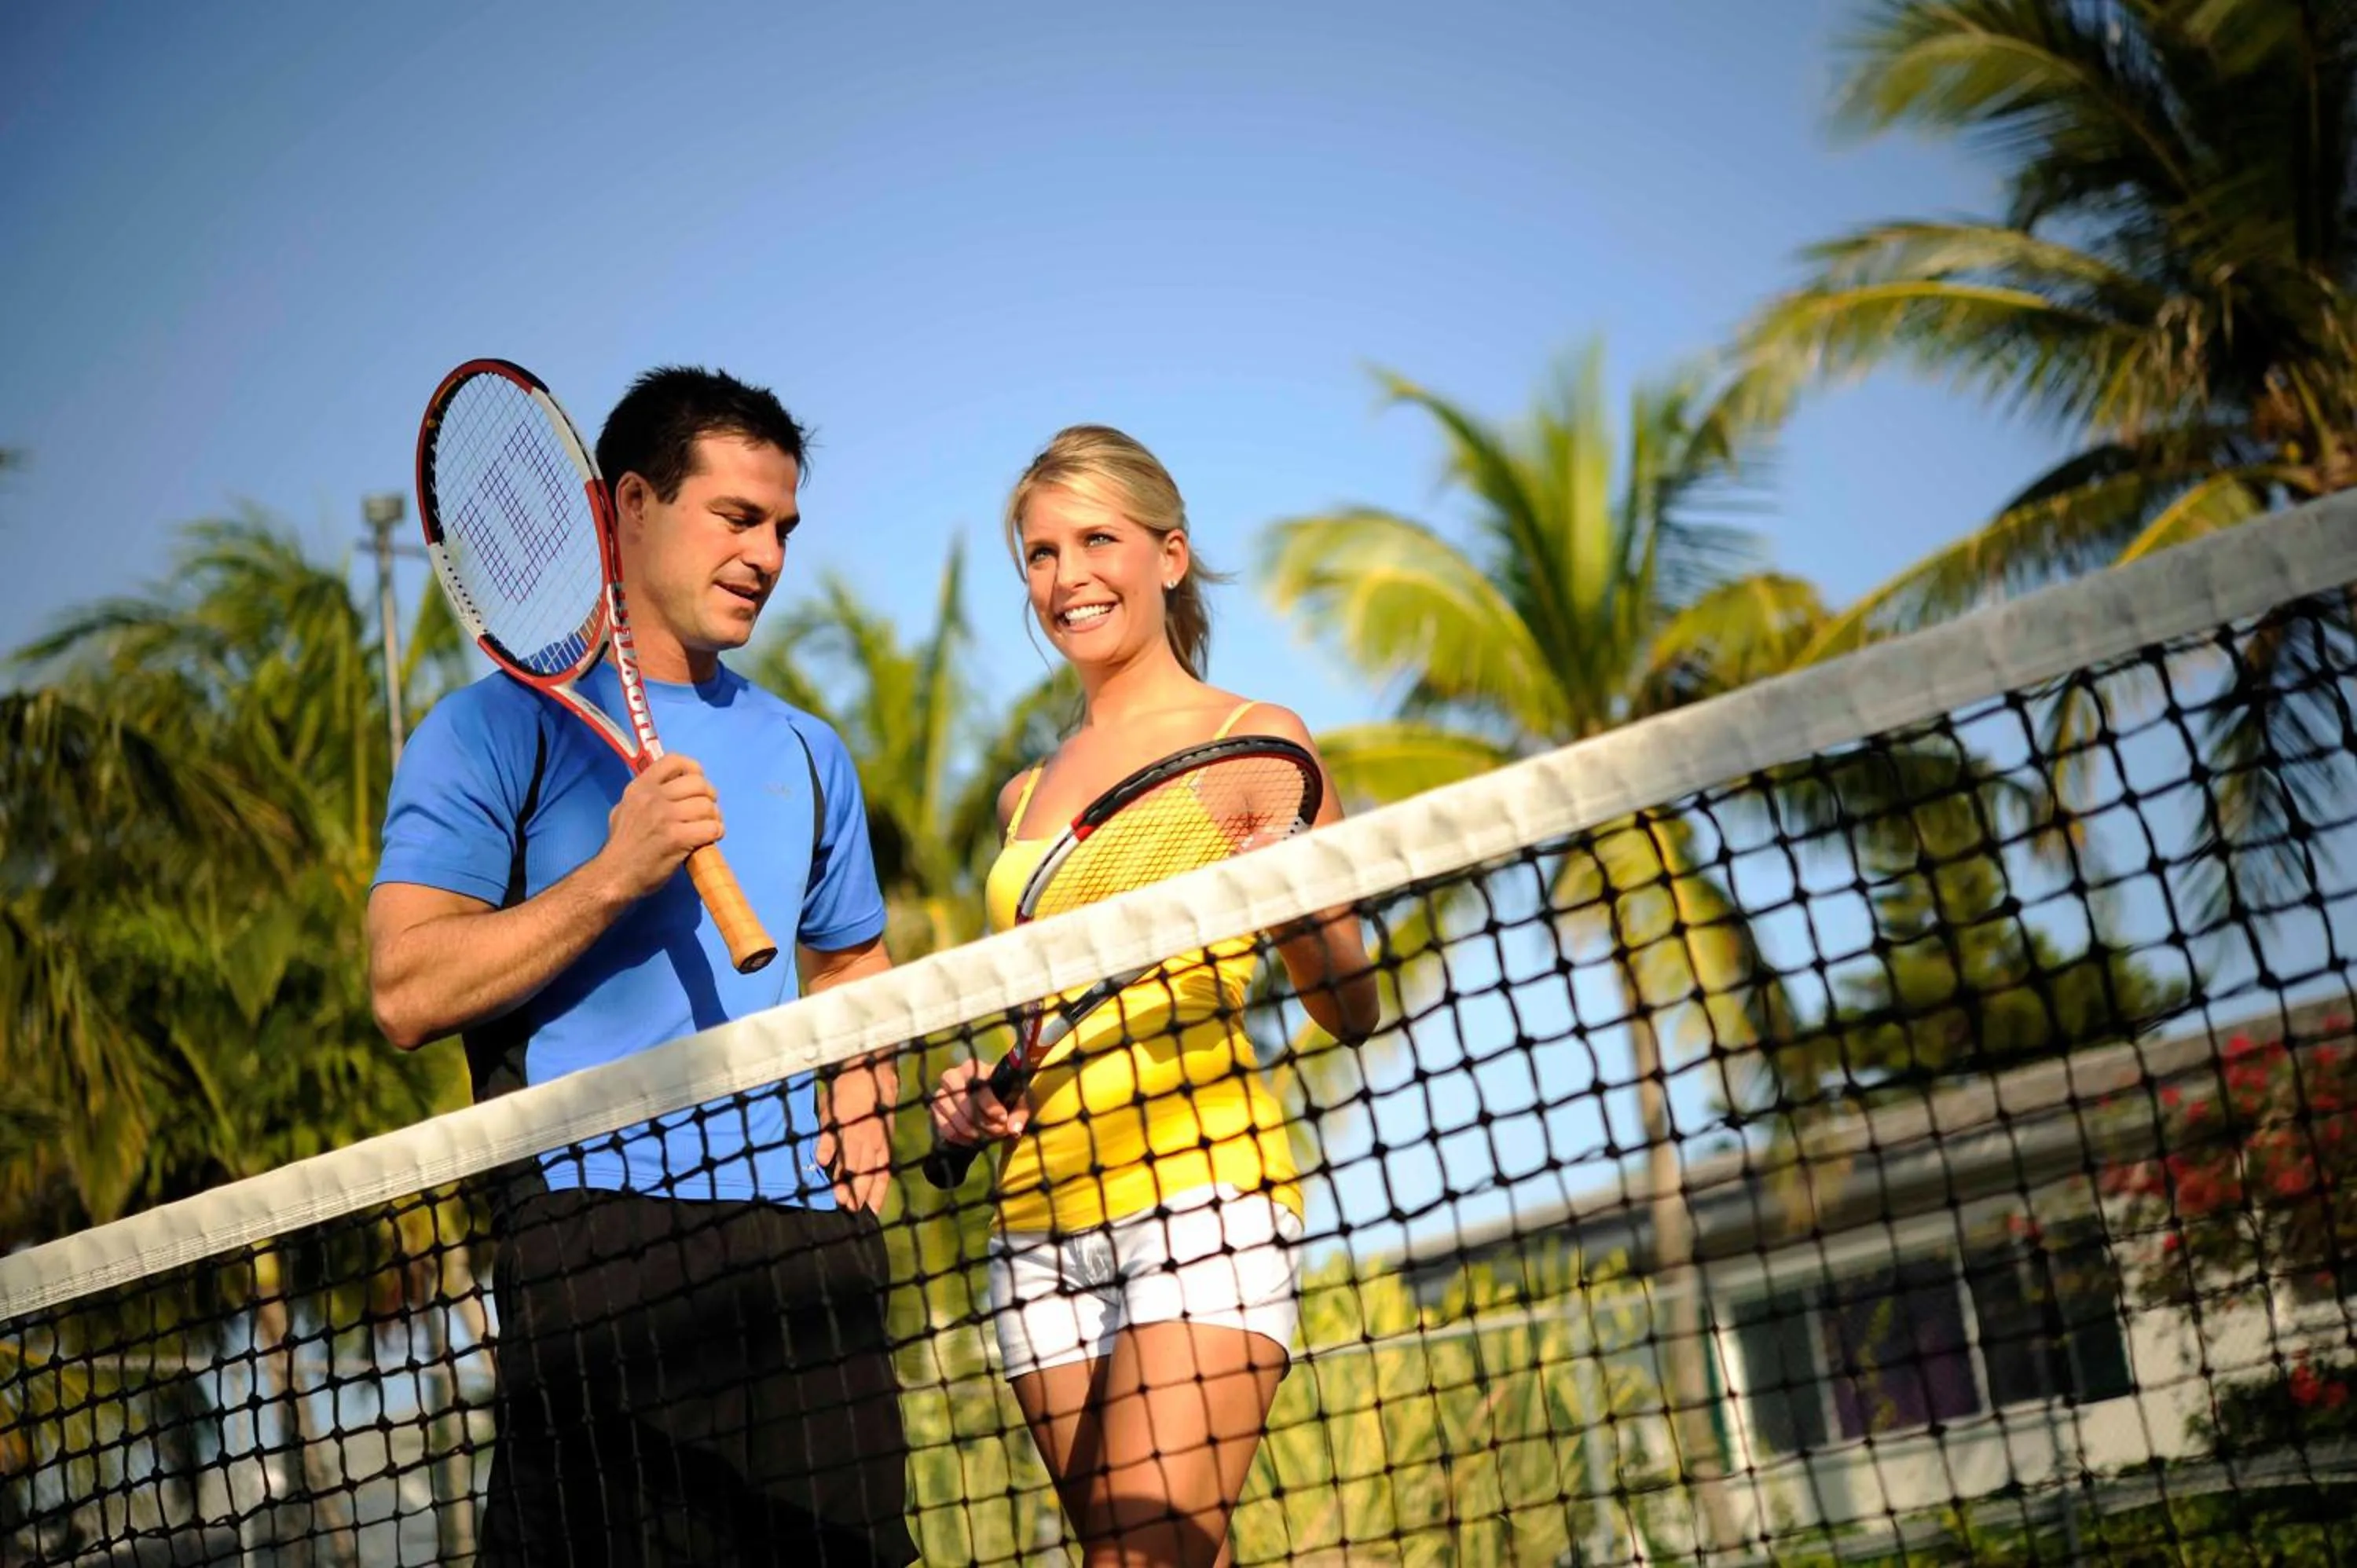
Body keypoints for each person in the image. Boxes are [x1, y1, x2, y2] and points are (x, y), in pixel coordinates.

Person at [367, 365, 915, 1566]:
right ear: (628, 507)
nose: (767, 557)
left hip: (805, 1255)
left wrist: (865, 1072)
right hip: (594, 1244)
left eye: (782, 528)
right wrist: (615, 874)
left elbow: (852, 960)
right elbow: (407, 989)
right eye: (735, 517)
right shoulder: (491, 730)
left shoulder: (809, 751)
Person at [929, 425, 1381, 1567]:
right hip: (1033, 1226)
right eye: (1040, 553)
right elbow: (1043, 1018)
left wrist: (1303, 906)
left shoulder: (1255, 742)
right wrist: (979, 1096)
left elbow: (1352, 1005)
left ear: (1169, 557)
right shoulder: (1023, 795)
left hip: (1201, 1197)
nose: (1067, 577)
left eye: (1097, 540)